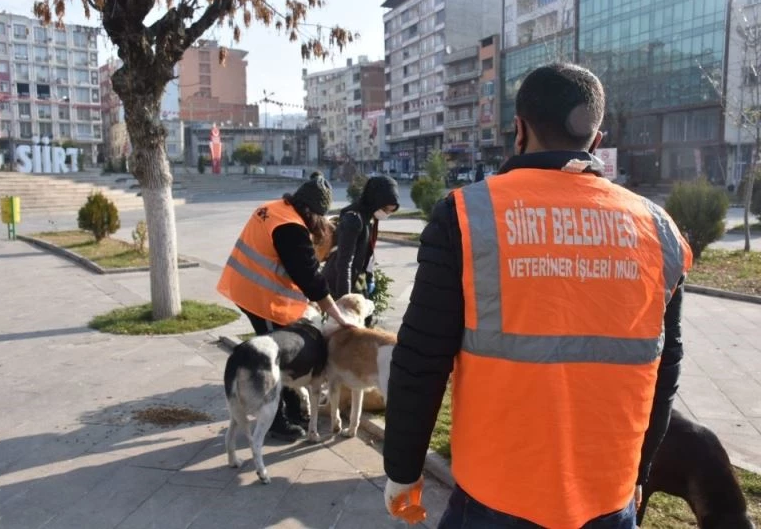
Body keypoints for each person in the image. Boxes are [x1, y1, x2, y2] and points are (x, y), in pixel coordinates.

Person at [381, 63, 693, 529]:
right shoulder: (657, 230)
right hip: (608, 498)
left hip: (494, 495)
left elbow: (420, 359)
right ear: (597, 140)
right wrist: (640, 470)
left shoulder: (467, 216)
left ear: (519, 129)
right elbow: (665, 370)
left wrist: (403, 471)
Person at [217, 171, 357, 442]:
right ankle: (276, 421)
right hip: (260, 297)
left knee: (283, 353)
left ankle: (294, 410)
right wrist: (338, 316)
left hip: (245, 286)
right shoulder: (291, 228)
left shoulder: (276, 209)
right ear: (313, 212)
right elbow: (310, 280)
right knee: (276, 357)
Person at [322, 175, 400, 326]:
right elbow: (344, 263)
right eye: (385, 209)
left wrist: (370, 278)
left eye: (391, 212)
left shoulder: (370, 218)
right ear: (375, 200)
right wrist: (345, 301)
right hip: (340, 282)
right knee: (348, 334)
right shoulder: (353, 219)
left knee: (365, 325)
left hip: (359, 279)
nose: (386, 214)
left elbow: (368, 253)